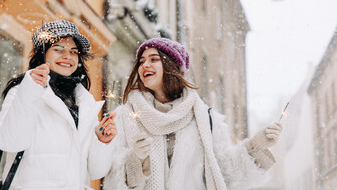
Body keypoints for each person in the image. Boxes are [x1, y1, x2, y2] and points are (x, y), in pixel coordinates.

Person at [103, 38, 283, 190]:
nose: (145, 65)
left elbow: (228, 174)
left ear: (171, 66)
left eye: (153, 59)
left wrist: (255, 147)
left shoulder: (205, 118)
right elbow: (115, 182)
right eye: (141, 61)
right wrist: (136, 160)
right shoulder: (126, 117)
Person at [0, 20, 117, 189]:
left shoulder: (84, 102)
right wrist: (30, 91)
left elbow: (95, 171)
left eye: (74, 52)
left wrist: (102, 142)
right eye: (59, 49)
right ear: (42, 54)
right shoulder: (22, 91)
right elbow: (9, 142)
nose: (68, 56)